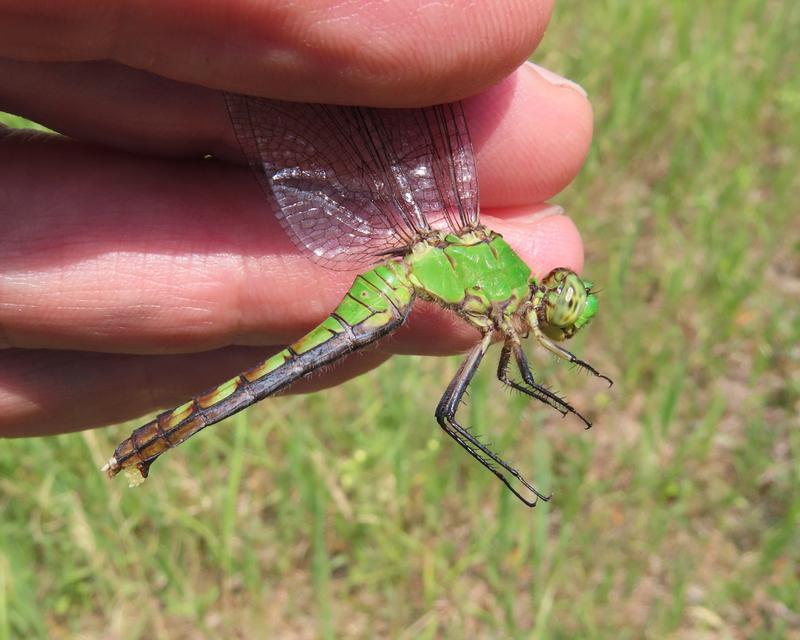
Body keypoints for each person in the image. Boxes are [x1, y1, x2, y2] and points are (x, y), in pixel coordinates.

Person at [0, 0, 592, 437]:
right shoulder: (501, 292)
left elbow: (518, 375)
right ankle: (159, 436)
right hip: (402, 277)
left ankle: (156, 438)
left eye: (562, 301)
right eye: (560, 301)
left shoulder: (504, 301)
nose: (558, 304)